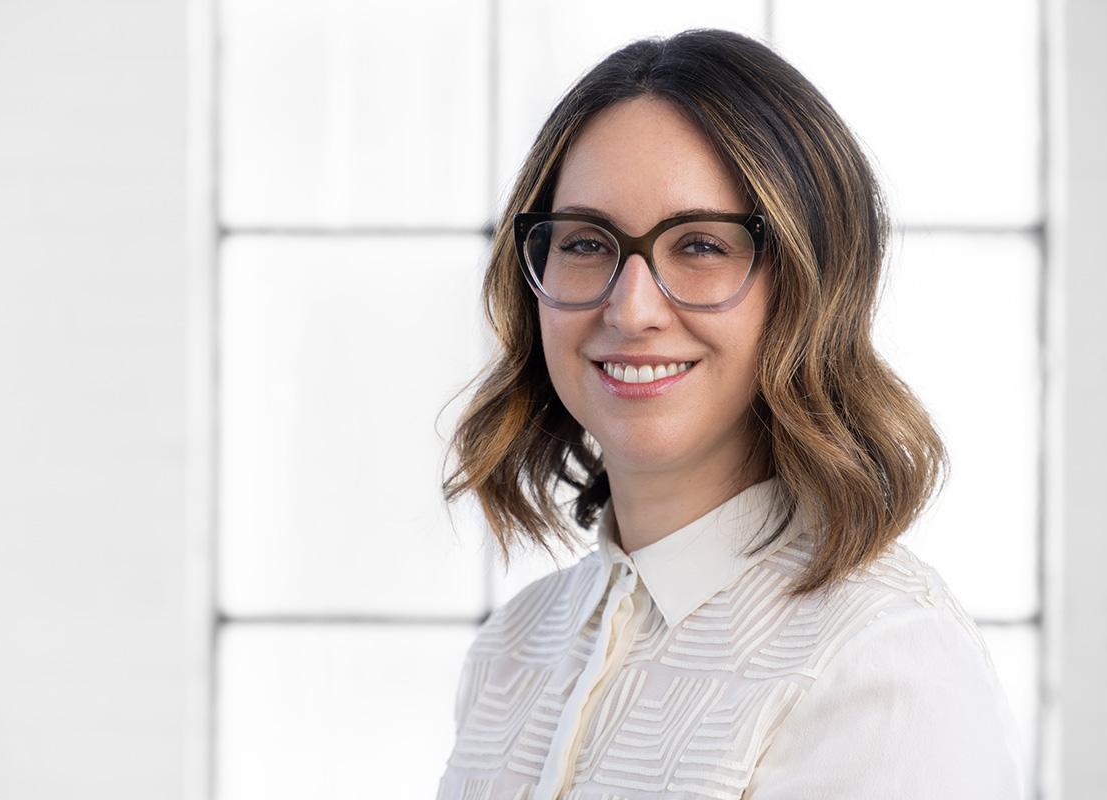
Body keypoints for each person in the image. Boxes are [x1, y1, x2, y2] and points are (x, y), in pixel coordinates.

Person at [436, 28, 1025, 799]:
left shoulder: (882, 664)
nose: (632, 306)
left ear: (811, 288)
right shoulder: (513, 650)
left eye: (703, 246)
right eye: (585, 241)